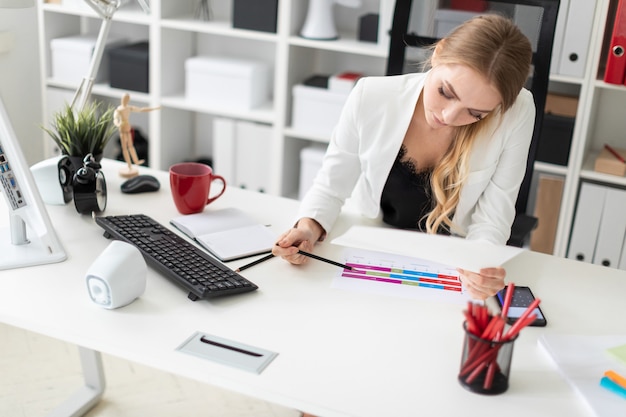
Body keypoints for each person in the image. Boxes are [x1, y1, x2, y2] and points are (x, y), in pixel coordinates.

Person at [273, 14, 535, 301]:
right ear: (439, 52)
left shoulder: (517, 113)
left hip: (450, 262)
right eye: (445, 92)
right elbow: (331, 185)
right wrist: (307, 228)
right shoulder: (370, 95)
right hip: (370, 247)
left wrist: (481, 263)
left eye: (475, 114)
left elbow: (495, 213)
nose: (448, 117)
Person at [114, 93, 160, 177]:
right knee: (125, 148)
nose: (126, 101)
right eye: (125, 99)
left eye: (127, 99)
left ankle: (135, 161)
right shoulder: (119, 109)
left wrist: (154, 108)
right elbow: (115, 119)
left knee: (131, 146)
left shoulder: (128, 108)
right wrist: (117, 123)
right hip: (123, 128)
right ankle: (128, 164)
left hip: (127, 127)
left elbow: (141, 109)